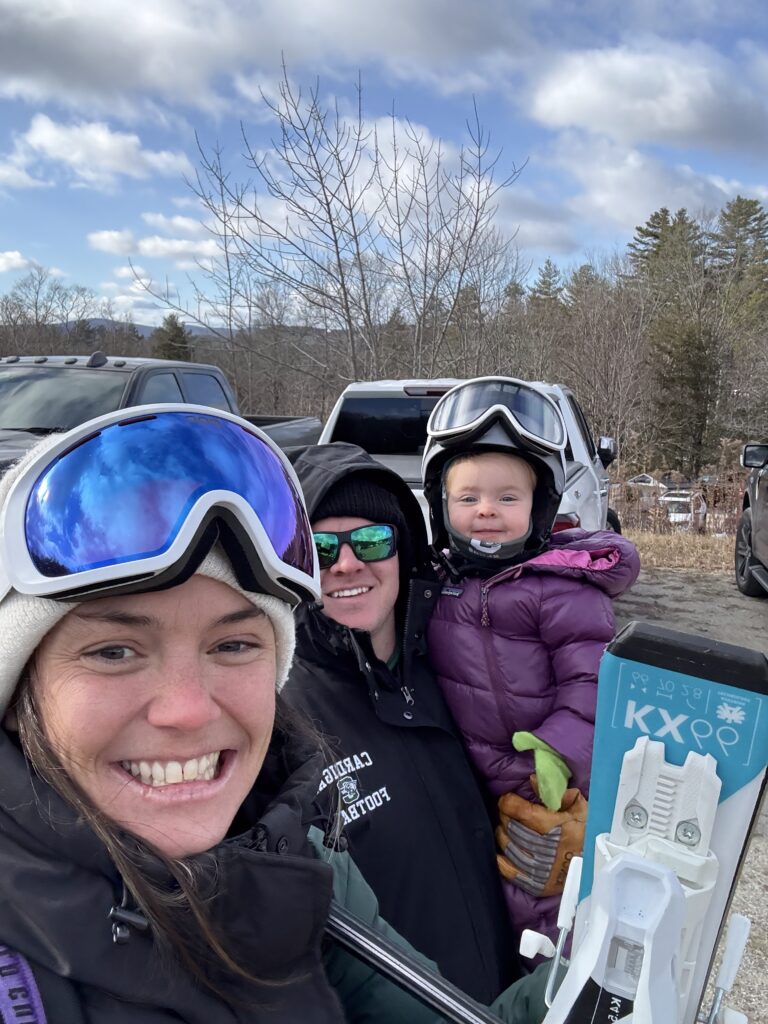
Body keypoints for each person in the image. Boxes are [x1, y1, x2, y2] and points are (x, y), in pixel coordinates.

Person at [0, 405, 548, 1023]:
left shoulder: (293, 868)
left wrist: (603, 966)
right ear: (19, 691)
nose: (187, 711)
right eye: (114, 652)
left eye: (233, 645)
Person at [283, 441, 518, 1003]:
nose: (347, 564)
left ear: (402, 549)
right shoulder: (281, 718)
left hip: (514, 997)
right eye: (321, 549)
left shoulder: (460, 671)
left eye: (371, 541)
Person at [422, 377, 640, 948]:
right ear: (441, 506)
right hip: (468, 778)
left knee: (537, 897)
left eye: (507, 498)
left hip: (542, 783)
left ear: (539, 506)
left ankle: (545, 979)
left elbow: (592, 680)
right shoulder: (437, 583)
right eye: (467, 498)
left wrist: (557, 751)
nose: (486, 510)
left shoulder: (562, 591)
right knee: (474, 898)